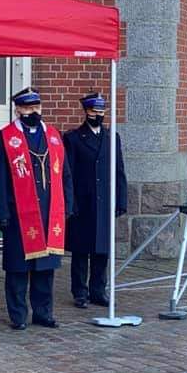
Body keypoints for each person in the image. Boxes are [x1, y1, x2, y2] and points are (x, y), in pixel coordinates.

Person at [0, 87, 73, 330]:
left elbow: (65, 175)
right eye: (27, 107)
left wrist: (67, 205)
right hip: (18, 214)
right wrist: (1, 213)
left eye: (36, 106)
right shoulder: (4, 138)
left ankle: (43, 312)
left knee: (45, 268)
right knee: (18, 268)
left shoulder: (54, 136)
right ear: (17, 109)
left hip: (49, 212)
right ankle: (18, 315)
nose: (33, 112)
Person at [63, 92, 127, 308]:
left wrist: (121, 200)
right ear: (86, 111)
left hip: (104, 202)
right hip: (83, 202)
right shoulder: (73, 138)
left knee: (102, 249)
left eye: (101, 111)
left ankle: (98, 290)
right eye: (93, 111)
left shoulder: (112, 137)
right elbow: (69, 173)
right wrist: (71, 202)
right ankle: (80, 292)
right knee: (81, 250)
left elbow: (119, 171)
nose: (97, 115)